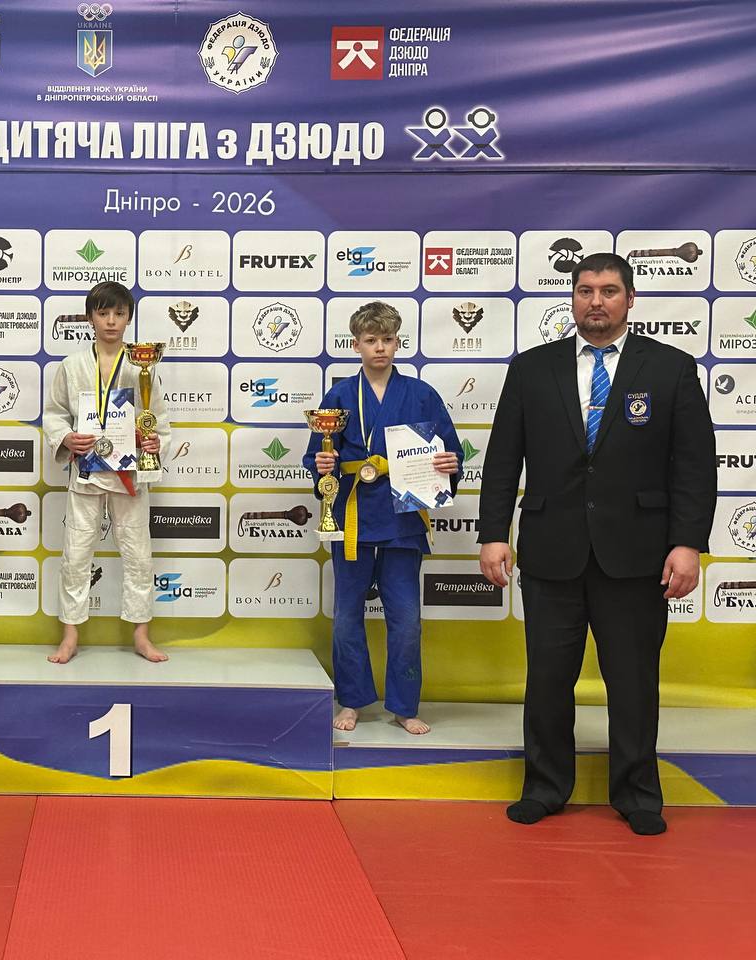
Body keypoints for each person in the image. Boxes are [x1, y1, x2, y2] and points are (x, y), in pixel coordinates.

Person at [478, 252, 716, 836]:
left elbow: (694, 465)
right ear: (573, 299)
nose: (596, 301)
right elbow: (503, 458)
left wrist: (687, 543)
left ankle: (637, 794)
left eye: (609, 291)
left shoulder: (672, 369)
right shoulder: (532, 369)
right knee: (548, 680)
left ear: (630, 299)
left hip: (636, 554)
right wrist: (492, 534)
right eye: (585, 290)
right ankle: (544, 787)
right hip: (551, 550)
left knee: (633, 682)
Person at [302, 301, 462, 735]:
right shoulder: (339, 397)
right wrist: (322, 466)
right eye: (371, 340)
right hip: (353, 515)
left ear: (398, 342)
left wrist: (449, 464)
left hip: (403, 518)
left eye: (387, 339)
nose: (380, 348)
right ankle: (352, 700)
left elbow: (450, 451)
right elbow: (316, 456)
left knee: (406, 620)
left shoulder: (421, 394)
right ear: (356, 345)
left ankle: (405, 706)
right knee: (347, 616)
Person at [42, 281, 170, 664]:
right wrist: (67, 438)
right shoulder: (72, 366)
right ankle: (70, 635)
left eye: (119, 313)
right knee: (76, 554)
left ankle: (141, 634)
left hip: (129, 475)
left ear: (129, 318)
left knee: (139, 555)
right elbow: (54, 414)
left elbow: (158, 419)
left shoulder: (143, 366)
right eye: (103, 313)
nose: (111, 321)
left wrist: (154, 442)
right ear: (90, 318)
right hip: (88, 471)